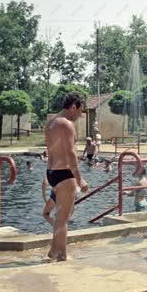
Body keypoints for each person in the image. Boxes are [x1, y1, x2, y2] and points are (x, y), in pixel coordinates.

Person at [44, 92, 89, 261]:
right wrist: (80, 179)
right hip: (65, 173)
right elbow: (71, 154)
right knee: (63, 218)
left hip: (53, 172)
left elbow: (50, 151)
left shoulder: (51, 122)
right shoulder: (66, 124)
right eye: (80, 111)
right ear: (73, 107)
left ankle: (53, 251)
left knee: (60, 216)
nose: (80, 115)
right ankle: (62, 255)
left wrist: (49, 174)